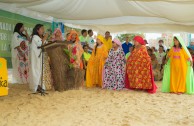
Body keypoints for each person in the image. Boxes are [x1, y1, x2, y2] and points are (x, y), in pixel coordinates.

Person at [29, 24, 53, 92]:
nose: (43, 30)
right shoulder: (35, 37)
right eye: (42, 29)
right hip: (37, 58)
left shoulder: (41, 37)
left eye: (43, 29)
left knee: (41, 71)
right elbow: (40, 45)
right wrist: (45, 38)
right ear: (37, 30)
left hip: (42, 57)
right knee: (37, 70)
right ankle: (36, 86)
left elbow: (45, 45)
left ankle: (41, 86)